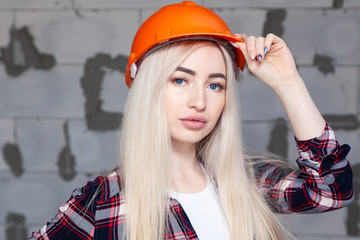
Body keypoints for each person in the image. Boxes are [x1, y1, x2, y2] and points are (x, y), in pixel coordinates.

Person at [28, 1, 353, 240]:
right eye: (180, 80)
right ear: (149, 88)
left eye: (215, 85)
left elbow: (331, 190)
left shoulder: (245, 180)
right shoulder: (105, 200)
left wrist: (288, 82)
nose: (200, 101)